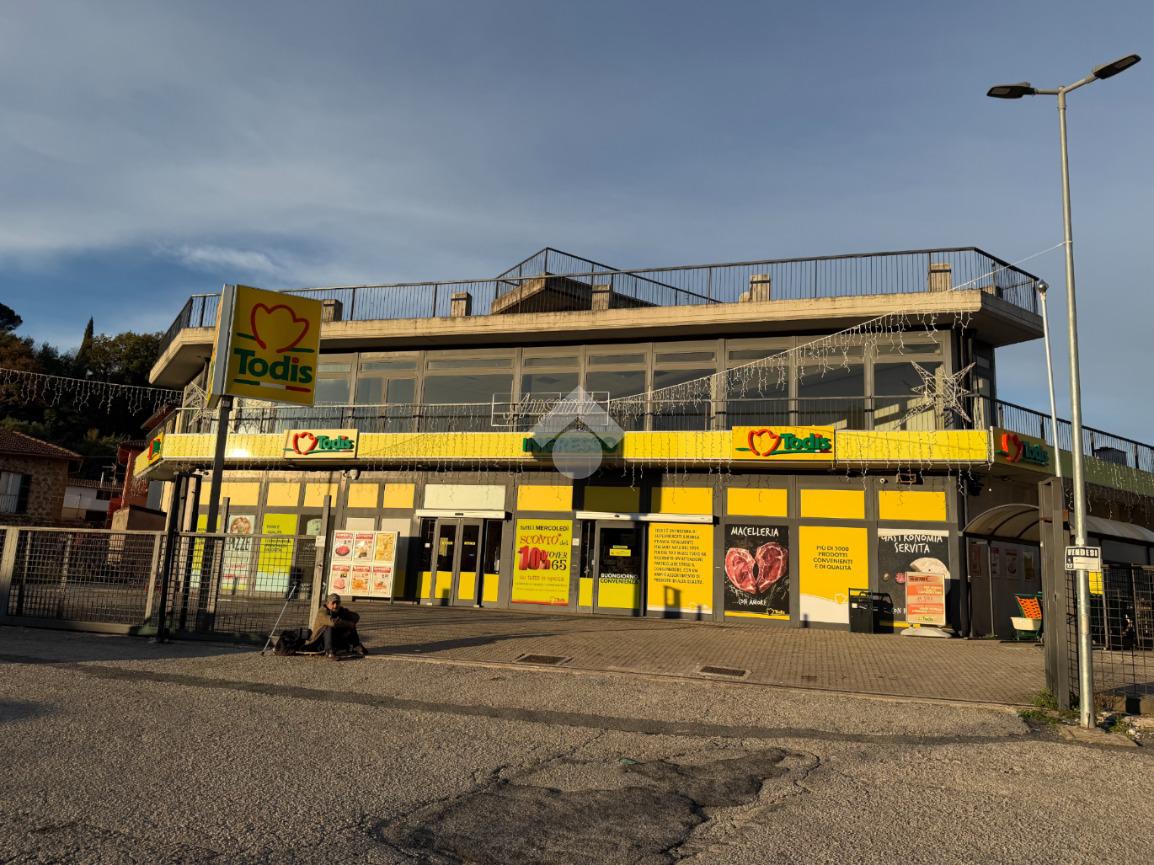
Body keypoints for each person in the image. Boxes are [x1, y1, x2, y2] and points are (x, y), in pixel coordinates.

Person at [305, 593, 368, 659]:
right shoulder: (322, 612)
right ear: (327, 604)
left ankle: (356, 646)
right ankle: (329, 652)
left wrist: (347, 619)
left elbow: (356, 616)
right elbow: (332, 622)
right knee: (329, 627)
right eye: (333, 603)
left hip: (334, 640)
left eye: (337, 603)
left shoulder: (340, 610)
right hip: (319, 642)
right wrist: (347, 623)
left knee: (350, 624)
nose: (335, 606)